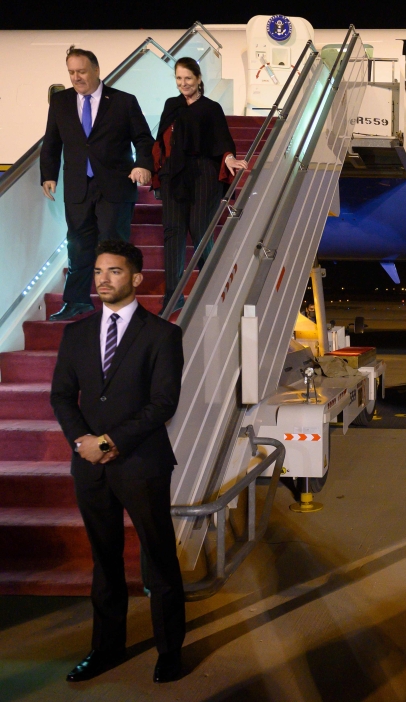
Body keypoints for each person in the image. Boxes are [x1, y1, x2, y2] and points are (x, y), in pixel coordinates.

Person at [50, 240, 186, 684]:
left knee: (159, 557)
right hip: (89, 466)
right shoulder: (77, 333)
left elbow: (163, 403)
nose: (103, 279)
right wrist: (82, 442)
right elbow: (62, 397)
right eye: (98, 272)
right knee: (104, 562)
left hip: (142, 463)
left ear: (136, 278)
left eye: (114, 272)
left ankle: (170, 650)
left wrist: (109, 441)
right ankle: (105, 649)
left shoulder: (163, 334)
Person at [41, 46, 153, 321]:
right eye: (71, 72)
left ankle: (118, 302)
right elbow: (52, 142)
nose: (76, 77)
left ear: (96, 70)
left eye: (81, 71)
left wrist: (143, 164)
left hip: (115, 186)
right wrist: (48, 174)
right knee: (77, 246)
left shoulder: (124, 101)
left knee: (113, 246)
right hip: (78, 186)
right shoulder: (61, 102)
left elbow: (143, 139)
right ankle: (77, 301)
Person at [154, 57, 248, 314]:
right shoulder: (171, 105)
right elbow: (162, 141)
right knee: (173, 232)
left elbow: (221, 139)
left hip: (203, 172)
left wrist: (229, 158)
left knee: (199, 229)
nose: (183, 83)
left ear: (198, 80)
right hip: (174, 175)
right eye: (179, 78)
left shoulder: (211, 108)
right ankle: (173, 297)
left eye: (188, 78)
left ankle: (215, 285)